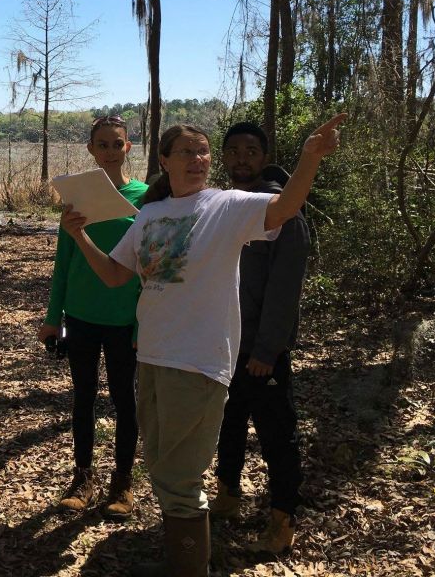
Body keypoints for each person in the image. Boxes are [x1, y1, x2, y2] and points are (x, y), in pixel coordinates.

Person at [59, 114, 345, 577]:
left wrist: (310, 159)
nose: (198, 159)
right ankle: (182, 558)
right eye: (187, 152)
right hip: (152, 356)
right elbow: (113, 275)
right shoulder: (150, 214)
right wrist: (79, 234)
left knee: (180, 479)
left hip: (198, 362)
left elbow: (285, 207)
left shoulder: (227, 205)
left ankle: (190, 567)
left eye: (203, 151)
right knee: (161, 467)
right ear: (165, 161)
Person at [38, 114, 147, 519]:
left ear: (128, 147)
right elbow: (63, 263)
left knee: (124, 400)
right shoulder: (77, 197)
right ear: (91, 149)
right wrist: (53, 317)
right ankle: (82, 478)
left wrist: (142, 323)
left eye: (117, 144)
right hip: (81, 314)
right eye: (102, 144)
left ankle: (123, 482)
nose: (110, 151)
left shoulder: (145, 198)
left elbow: (149, 267)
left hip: (124, 318)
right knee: (83, 398)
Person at [212, 122, 309, 555]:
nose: (241, 159)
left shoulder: (283, 211)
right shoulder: (226, 206)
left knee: (276, 434)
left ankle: (282, 520)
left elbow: (285, 289)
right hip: (225, 343)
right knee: (228, 423)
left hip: (261, 351)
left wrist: (268, 349)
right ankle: (227, 494)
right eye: (233, 151)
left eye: (250, 151)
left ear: (264, 156)